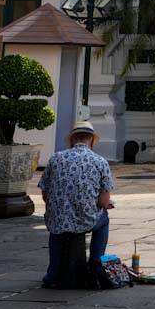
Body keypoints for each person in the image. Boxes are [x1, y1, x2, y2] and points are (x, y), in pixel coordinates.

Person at [39, 123, 117, 288]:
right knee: (104, 221)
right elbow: (103, 202)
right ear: (92, 141)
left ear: (71, 140)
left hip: (58, 219)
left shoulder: (55, 158)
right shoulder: (100, 161)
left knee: (56, 229)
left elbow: (45, 195)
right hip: (86, 219)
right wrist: (103, 204)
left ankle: (52, 274)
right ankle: (95, 266)